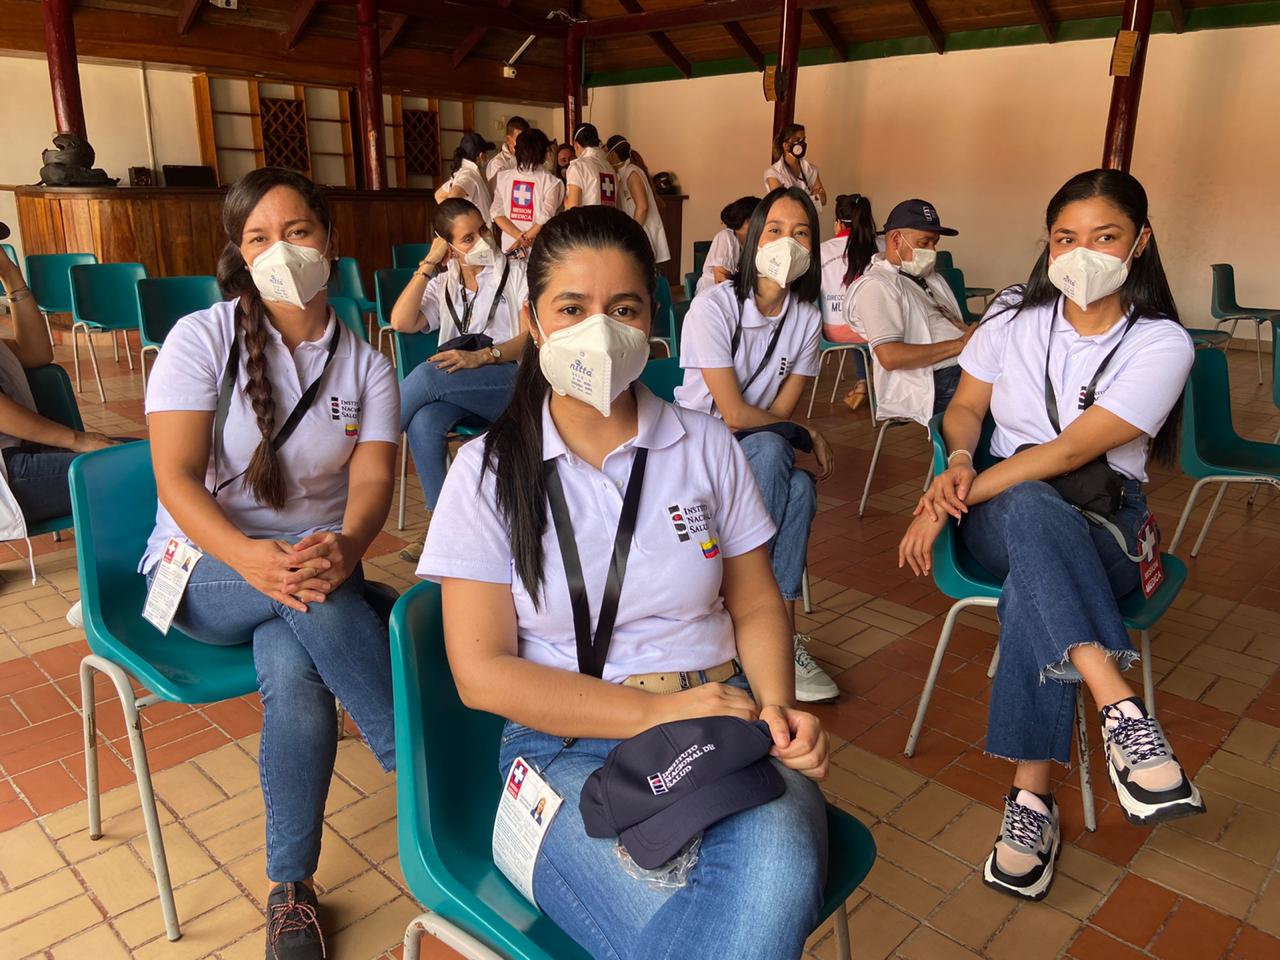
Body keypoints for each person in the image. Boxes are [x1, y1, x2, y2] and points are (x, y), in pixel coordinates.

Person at [419, 205, 829, 960]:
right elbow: (480, 675)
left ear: (651, 324)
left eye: (624, 309)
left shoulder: (703, 443)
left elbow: (757, 600)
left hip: (719, 721)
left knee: (772, 875)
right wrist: (653, 712)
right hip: (559, 746)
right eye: (572, 309)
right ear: (533, 322)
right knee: (740, 919)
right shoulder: (487, 471)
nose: (598, 331)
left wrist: (776, 707)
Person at [899, 169, 1203, 903]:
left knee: (1035, 574)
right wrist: (964, 460)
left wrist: (947, 500)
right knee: (1032, 514)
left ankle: (1031, 801)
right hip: (1001, 508)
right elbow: (966, 408)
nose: (1082, 252)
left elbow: (1068, 454)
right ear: (1048, 243)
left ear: (1141, 243)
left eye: (1105, 237)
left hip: (1107, 523)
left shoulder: (1163, 343)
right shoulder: (1013, 313)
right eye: (1066, 237)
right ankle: (1123, 713)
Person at [143, 168, 399, 959]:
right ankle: (413, 754)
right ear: (241, 255)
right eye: (259, 238)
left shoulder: (368, 365)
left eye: (297, 232)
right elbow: (175, 479)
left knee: (295, 664)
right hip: (200, 568)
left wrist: (349, 544)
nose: (281, 251)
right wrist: (251, 557)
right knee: (314, 596)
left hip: (309, 574)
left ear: (328, 241)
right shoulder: (202, 339)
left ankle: (290, 888)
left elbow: (374, 480)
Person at [674, 186, 838, 704]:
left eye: (802, 233)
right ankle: (754, 613)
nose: (787, 243)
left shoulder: (808, 319)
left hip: (754, 449)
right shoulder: (713, 307)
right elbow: (732, 413)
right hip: (696, 448)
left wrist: (794, 428)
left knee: (799, 486)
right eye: (775, 230)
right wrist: (808, 433)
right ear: (751, 239)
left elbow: (780, 414)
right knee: (775, 454)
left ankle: (771, 636)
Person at [391, 198, 528, 562]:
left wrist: (483, 355)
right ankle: (440, 526)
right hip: (466, 389)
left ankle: (370, 448)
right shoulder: (443, 283)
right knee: (424, 420)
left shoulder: (516, 273)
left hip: (513, 380)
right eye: (468, 239)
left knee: (427, 376)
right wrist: (428, 264)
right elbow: (402, 322)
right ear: (448, 246)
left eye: (483, 230)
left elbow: (531, 337)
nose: (482, 241)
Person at [0, 237, 120, 579]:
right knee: (144, 470)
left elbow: (37, 351)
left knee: (152, 457)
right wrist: (76, 440)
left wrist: (11, 276)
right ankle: (113, 590)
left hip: (21, 459)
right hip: (10, 474)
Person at [843, 198, 972, 426]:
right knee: (1007, 396)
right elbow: (891, 356)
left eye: (935, 243)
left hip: (960, 364)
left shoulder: (929, 278)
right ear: (895, 240)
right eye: (925, 242)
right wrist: (962, 344)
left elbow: (951, 323)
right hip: (931, 380)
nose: (932, 251)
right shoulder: (877, 286)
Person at [819, 194, 879, 411]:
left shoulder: (822, 250)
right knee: (867, 322)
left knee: (854, 322)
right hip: (874, 332)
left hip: (832, 332)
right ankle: (882, 386)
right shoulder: (880, 248)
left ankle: (863, 382)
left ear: (838, 222)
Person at [491, 128, 565, 257]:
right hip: (538, 250)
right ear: (544, 152)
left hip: (510, 246)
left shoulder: (503, 177)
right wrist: (524, 240)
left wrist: (518, 237)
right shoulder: (552, 182)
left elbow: (496, 213)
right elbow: (544, 218)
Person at [605, 134, 671, 265]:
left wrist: (632, 232)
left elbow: (642, 207)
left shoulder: (632, 173)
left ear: (612, 155)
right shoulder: (621, 174)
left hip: (641, 232)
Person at [695, 196, 758, 297]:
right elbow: (721, 281)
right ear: (748, 221)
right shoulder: (726, 237)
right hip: (713, 297)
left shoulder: (751, 242)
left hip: (735, 295)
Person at [764, 123, 827, 214]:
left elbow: (824, 200)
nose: (802, 144)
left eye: (803, 140)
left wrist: (792, 197)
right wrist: (811, 198)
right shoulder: (773, 172)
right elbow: (780, 203)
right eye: (797, 140)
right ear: (786, 145)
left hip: (808, 222)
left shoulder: (810, 169)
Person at [434, 131, 495, 216]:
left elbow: (439, 195)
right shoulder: (469, 175)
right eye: (486, 154)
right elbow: (453, 196)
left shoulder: (463, 172)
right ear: (481, 156)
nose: (487, 158)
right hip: (474, 228)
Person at [564, 123, 618, 210]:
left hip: (588, 222)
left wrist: (564, 199)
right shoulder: (609, 167)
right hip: (609, 222)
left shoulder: (578, 167)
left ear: (576, 145)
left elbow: (572, 209)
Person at [485, 115, 529, 185]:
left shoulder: (528, 159)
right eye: (520, 140)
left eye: (526, 140)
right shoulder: (497, 163)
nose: (524, 144)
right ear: (508, 139)